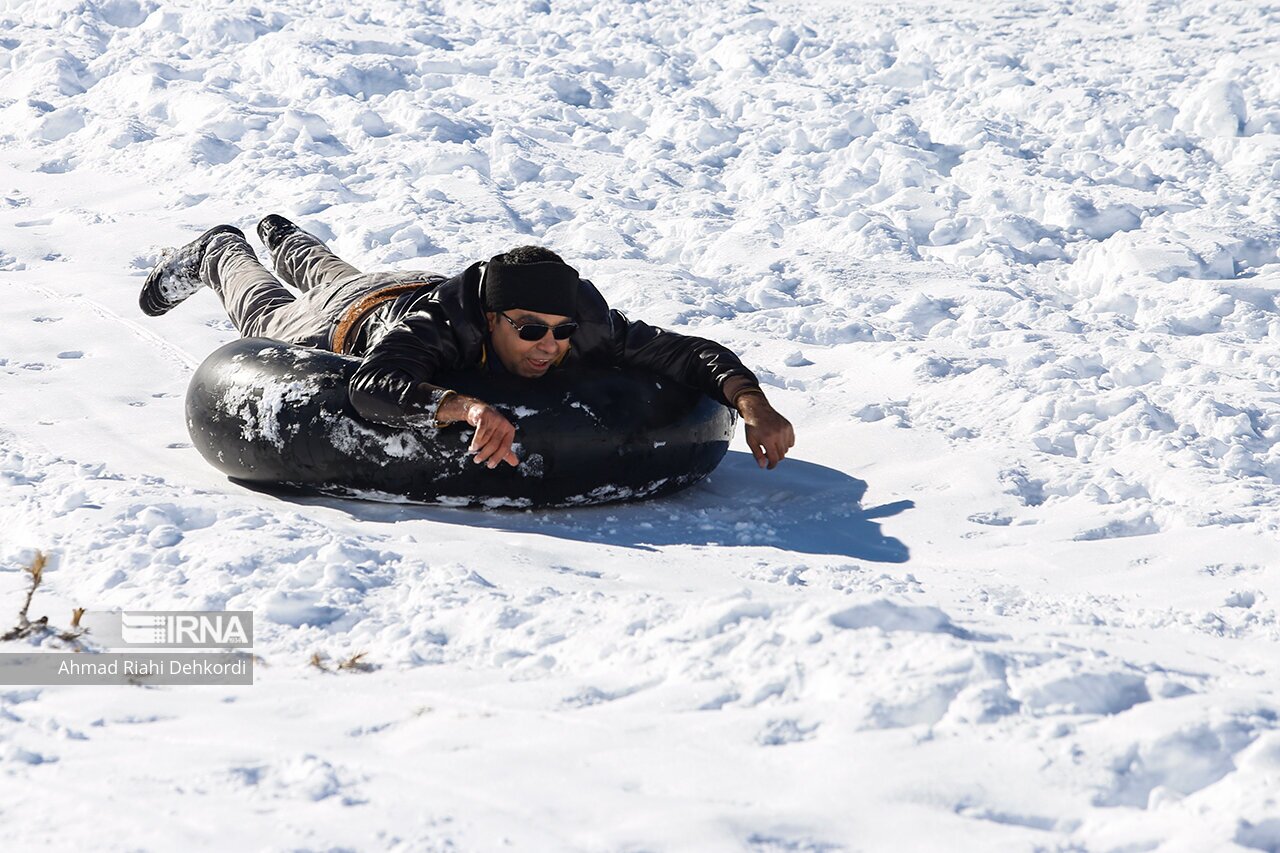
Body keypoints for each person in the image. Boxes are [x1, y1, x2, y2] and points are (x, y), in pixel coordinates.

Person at [140, 216, 795, 470]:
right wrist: (466, 407)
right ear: (493, 319)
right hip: (349, 325)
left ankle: (288, 239)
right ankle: (221, 249)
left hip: (404, 284)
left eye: (561, 333)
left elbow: (686, 354)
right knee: (270, 311)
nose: (549, 347)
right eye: (531, 331)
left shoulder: (584, 323)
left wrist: (751, 401)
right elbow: (370, 386)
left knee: (340, 275)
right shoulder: (441, 331)